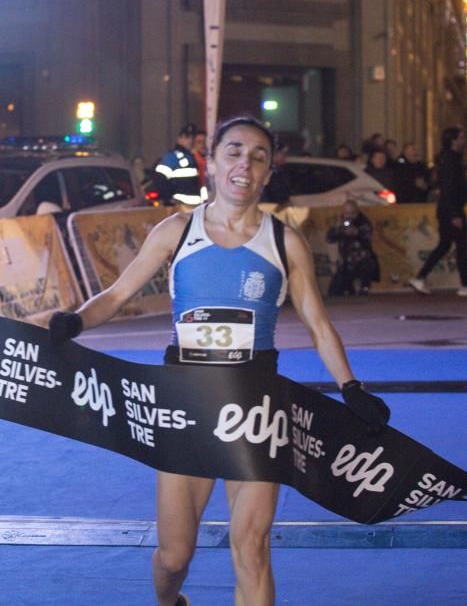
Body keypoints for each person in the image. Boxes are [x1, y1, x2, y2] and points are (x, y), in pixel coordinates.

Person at [48, 115, 390, 606]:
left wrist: (351, 387)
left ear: (269, 172)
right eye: (233, 151)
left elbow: (318, 324)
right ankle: (170, 602)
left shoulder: (284, 241)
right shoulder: (177, 230)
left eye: (258, 156)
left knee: (251, 551)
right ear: (211, 162)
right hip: (184, 403)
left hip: (255, 408)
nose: (244, 165)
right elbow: (117, 294)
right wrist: (76, 322)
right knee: (173, 558)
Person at [409, 126, 467, 297]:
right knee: (462, 245)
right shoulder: (451, 161)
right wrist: (455, 214)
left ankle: (420, 277)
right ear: (453, 141)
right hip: (451, 209)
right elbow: (450, 188)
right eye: (462, 137)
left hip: (447, 208)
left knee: (444, 245)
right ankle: (465, 284)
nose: (464, 140)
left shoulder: (449, 159)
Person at [326, 200, 380, 296]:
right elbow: (329, 238)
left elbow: (368, 235)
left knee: (366, 269)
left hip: (361, 261)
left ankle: (363, 288)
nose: (349, 216)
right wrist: (338, 229)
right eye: (346, 213)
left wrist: (356, 232)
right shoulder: (340, 222)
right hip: (345, 263)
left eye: (352, 213)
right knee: (334, 291)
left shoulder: (363, 221)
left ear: (356, 211)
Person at [153, 124, 207, 206]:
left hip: (195, 208)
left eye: (192, 138)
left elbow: (199, 183)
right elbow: (160, 180)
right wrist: (170, 199)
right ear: (179, 138)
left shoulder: (192, 157)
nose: (190, 141)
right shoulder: (172, 158)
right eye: (186, 137)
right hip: (180, 209)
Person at [260, 139, 290, 203]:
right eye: (283, 154)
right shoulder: (265, 170)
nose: (285, 157)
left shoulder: (280, 171)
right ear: (275, 154)